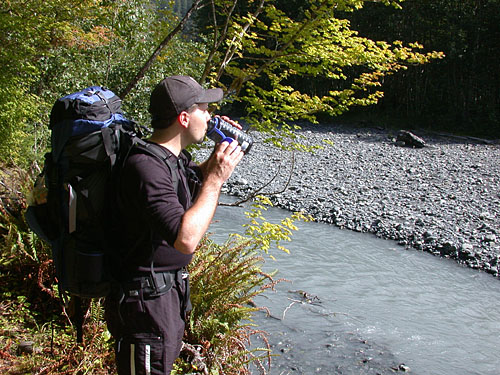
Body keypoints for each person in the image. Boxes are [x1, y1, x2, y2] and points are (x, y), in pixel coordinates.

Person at [105, 75, 244, 374]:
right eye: (204, 109)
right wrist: (217, 179)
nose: (210, 116)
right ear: (183, 118)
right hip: (144, 305)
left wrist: (221, 153)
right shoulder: (146, 167)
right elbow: (186, 238)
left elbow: (194, 186)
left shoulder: (171, 160)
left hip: (164, 298)